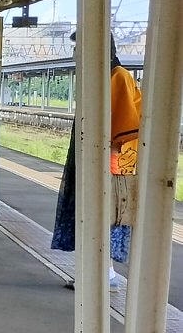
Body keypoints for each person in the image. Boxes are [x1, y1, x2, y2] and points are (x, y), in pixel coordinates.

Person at [52, 33, 141, 287]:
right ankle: (100, 272)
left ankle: (104, 274)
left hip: (111, 163)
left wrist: (105, 154)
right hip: (95, 159)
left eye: (79, 47)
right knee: (91, 215)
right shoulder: (101, 78)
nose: (75, 53)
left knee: (105, 217)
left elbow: (125, 125)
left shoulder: (118, 76)